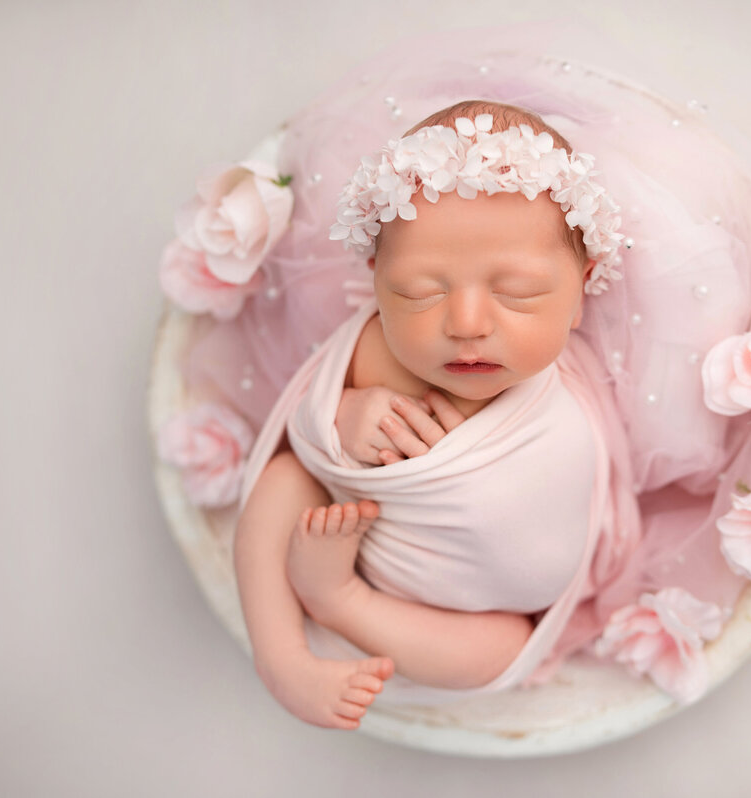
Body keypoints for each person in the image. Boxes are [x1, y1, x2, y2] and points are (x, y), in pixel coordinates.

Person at [233, 99, 628, 730]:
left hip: (492, 617)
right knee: (284, 482)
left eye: (518, 293)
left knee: (500, 652)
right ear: (375, 280)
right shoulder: (374, 352)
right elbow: (300, 429)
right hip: (382, 563)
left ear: (581, 289)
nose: (466, 325)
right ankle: (283, 653)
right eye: (419, 292)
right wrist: (339, 420)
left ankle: (336, 601)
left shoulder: (566, 379)